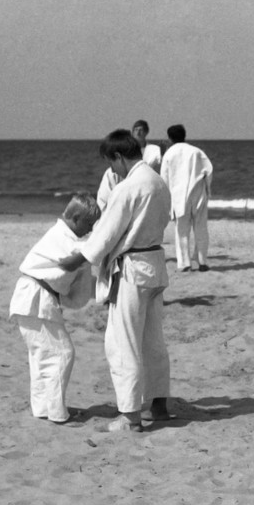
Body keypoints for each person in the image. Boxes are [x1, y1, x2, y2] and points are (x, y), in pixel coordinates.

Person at [60, 129, 172, 432]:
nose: (112, 171)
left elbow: (106, 236)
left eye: (112, 164)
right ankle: (159, 404)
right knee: (151, 339)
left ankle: (131, 416)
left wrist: (75, 259)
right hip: (155, 264)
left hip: (134, 269)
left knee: (123, 342)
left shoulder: (129, 186)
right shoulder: (158, 181)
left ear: (119, 157)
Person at [9, 193, 100, 424]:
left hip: (31, 297)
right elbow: (85, 253)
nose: (90, 230)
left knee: (41, 355)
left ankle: (43, 408)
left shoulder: (63, 236)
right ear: (76, 218)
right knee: (62, 353)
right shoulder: (63, 238)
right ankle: (57, 412)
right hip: (35, 298)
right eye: (88, 224)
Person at [161, 124, 214, 272]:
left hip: (179, 197)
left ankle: (184, 263)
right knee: (201, 228)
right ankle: (202, 262)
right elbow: (209, 171)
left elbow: (164, 180)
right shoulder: (197, 151)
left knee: (182, 231)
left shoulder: (169, 154)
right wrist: (207, 190)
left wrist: (166, 201)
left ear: (170, 138)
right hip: (198, 193)